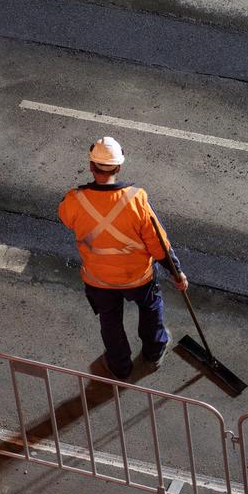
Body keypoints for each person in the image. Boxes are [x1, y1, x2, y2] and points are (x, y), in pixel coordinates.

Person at [57, 137, 187, 380]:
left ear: (91, 166)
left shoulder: (75, 199)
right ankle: (154, 350)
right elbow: (158, 242)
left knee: (110, 320)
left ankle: (119, 366)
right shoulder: (136, 198)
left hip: (99, 279)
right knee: (150, 307)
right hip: (137, 277)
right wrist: (176, 272)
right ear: (118, 168)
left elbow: (65, 217)